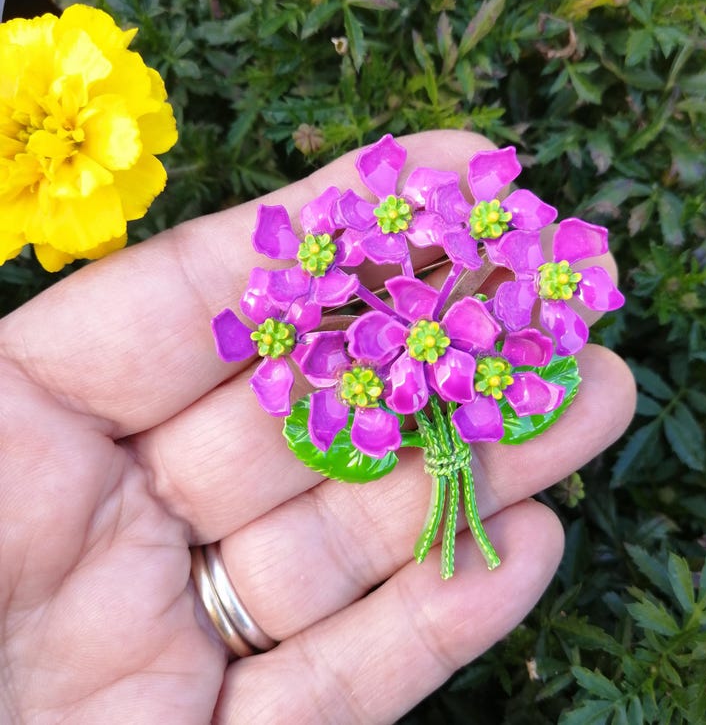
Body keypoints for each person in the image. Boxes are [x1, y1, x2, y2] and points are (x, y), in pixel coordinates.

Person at [0, 131, 635, 723]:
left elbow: (446, 330)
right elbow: (353, 340)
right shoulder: (311, 317)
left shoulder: (468, 281)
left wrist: (478, 350)